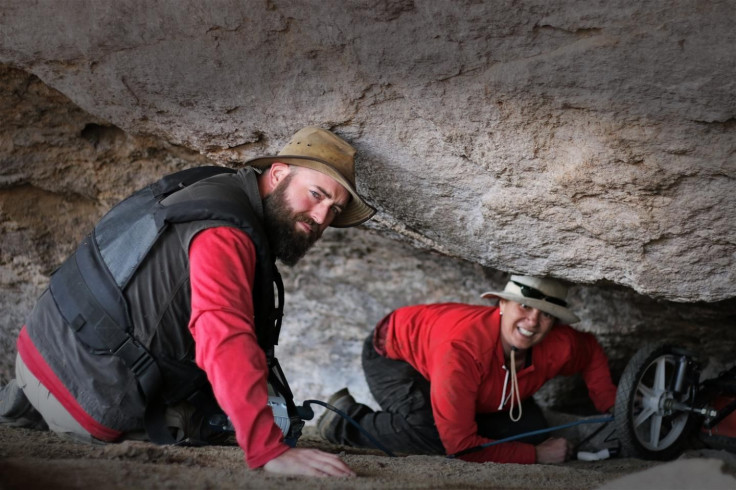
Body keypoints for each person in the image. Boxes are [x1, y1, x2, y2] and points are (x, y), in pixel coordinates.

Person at [0, 126, 375, 478]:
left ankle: (33, 403)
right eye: (317, 194)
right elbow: (223, 338)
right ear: (278, 174)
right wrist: (269, 450)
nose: (321, 217)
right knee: (208, 421)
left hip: (36, 352)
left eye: (335, 210)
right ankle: (67, 415)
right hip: (87, 401)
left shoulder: (207, 187)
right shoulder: (226, 234)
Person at [318, 275, 617, 464]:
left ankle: (464, 418)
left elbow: (589, 350)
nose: (533, 322)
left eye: (546, 315)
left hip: (460, 372)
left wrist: (613, 405)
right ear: (501, 304)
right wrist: (538, 455)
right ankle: (343, 422)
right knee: (434, 434)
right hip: (395, 353)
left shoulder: (557, 345)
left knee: (528, 432)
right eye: (524, 307)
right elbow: (460, 448)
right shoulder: (462, 351)